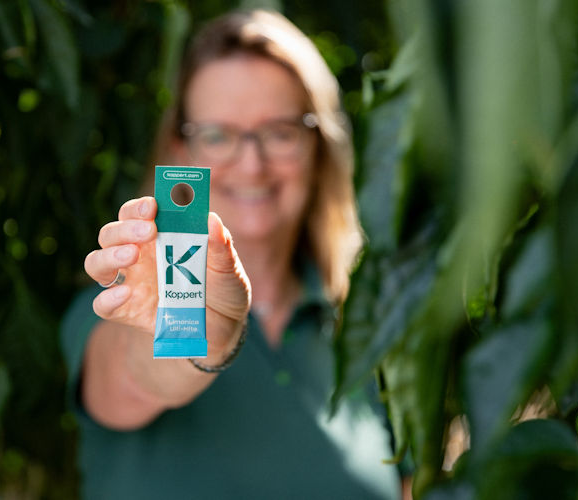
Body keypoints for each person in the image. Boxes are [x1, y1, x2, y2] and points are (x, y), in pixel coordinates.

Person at [61, 9, 404, 499]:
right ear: (180, 151)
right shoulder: (121, 308)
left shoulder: (370, 325)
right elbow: (134, 376)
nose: (251, 164)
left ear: (319, 147)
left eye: (280, 132)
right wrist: (192, 337)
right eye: (218, 135)